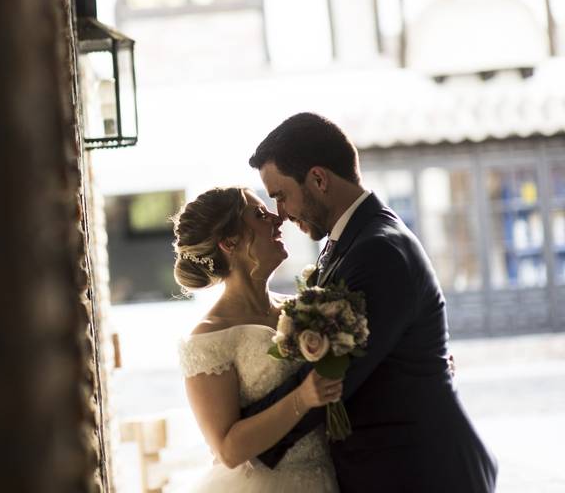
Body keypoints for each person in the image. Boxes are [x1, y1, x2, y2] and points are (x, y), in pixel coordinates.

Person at [244, 112, 497, 492]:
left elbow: (332, 378)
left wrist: (241, 434)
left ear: (318, 179)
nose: (280, 213)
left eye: (281, 195)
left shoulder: (378, 250)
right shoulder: (350, 242)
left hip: (423, 472)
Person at [174, 187, 341, 492]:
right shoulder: (208, 339)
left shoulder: (302, 307)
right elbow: (228, 450)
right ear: (230, 242)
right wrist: (302, 398)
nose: (279, 219)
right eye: (260, 215)